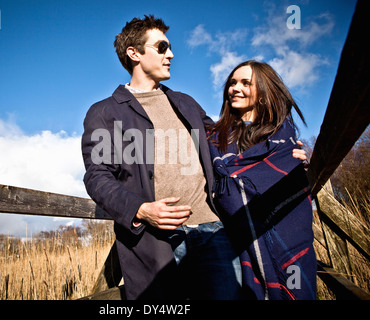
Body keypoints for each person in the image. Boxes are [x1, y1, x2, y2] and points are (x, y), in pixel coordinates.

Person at [81, 15, 307, 300]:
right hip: (155, 240)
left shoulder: (186, 102)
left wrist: (282, 150)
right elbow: (97, 176)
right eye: (162, 47)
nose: (171, 54)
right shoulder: (105, 112)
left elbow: (229, 142)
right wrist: (141, 209)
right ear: (134, 53)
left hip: (214, 231)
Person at [208, 60, 317, 300]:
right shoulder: (215, 136)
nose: (235, 88)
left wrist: (295, 164)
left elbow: (283, 172)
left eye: (246, 83)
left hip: (285, 236)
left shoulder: (283, 136)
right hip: (232, 238)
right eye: (232, 83)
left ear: (264, 94)